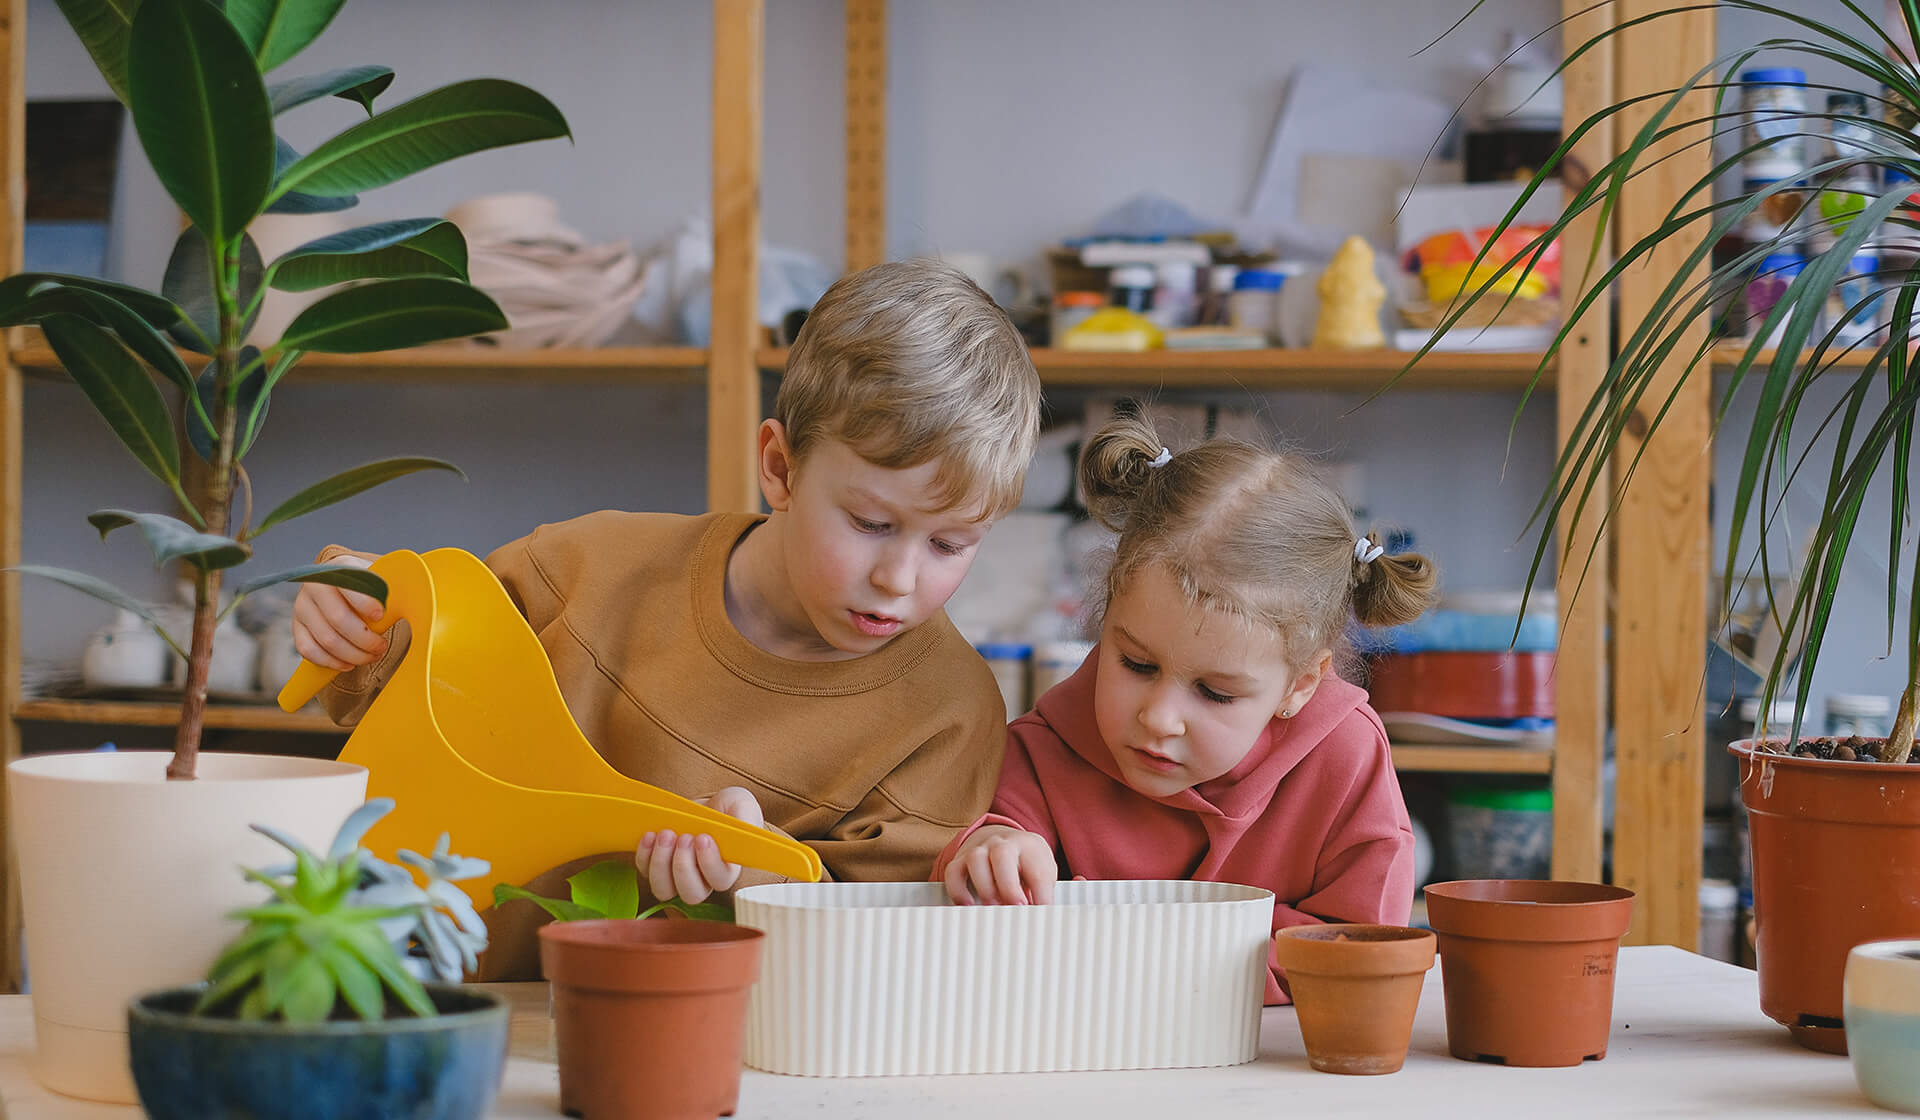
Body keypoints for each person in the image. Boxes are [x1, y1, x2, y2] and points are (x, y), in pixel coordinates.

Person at [294, 260, 1042, 978]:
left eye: (949, 543)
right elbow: (403, 683)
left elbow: (883, 956)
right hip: (422, 1001)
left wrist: (762, 877)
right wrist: (351, 614)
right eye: (871, 523)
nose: (898, 578)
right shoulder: (583, 567)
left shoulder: (949, 715)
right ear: (780, 468)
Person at [935, 414, 1431, 1003]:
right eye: (1136, 665)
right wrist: (989, 850)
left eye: (1216, 693)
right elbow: (987, 880)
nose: (1159, 719)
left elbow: (1358, 951)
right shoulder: (1048, 747)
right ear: (1107, 620)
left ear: (1300, 685)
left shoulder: (1345, 758)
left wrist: (1157, 953)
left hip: (1271, 1070)